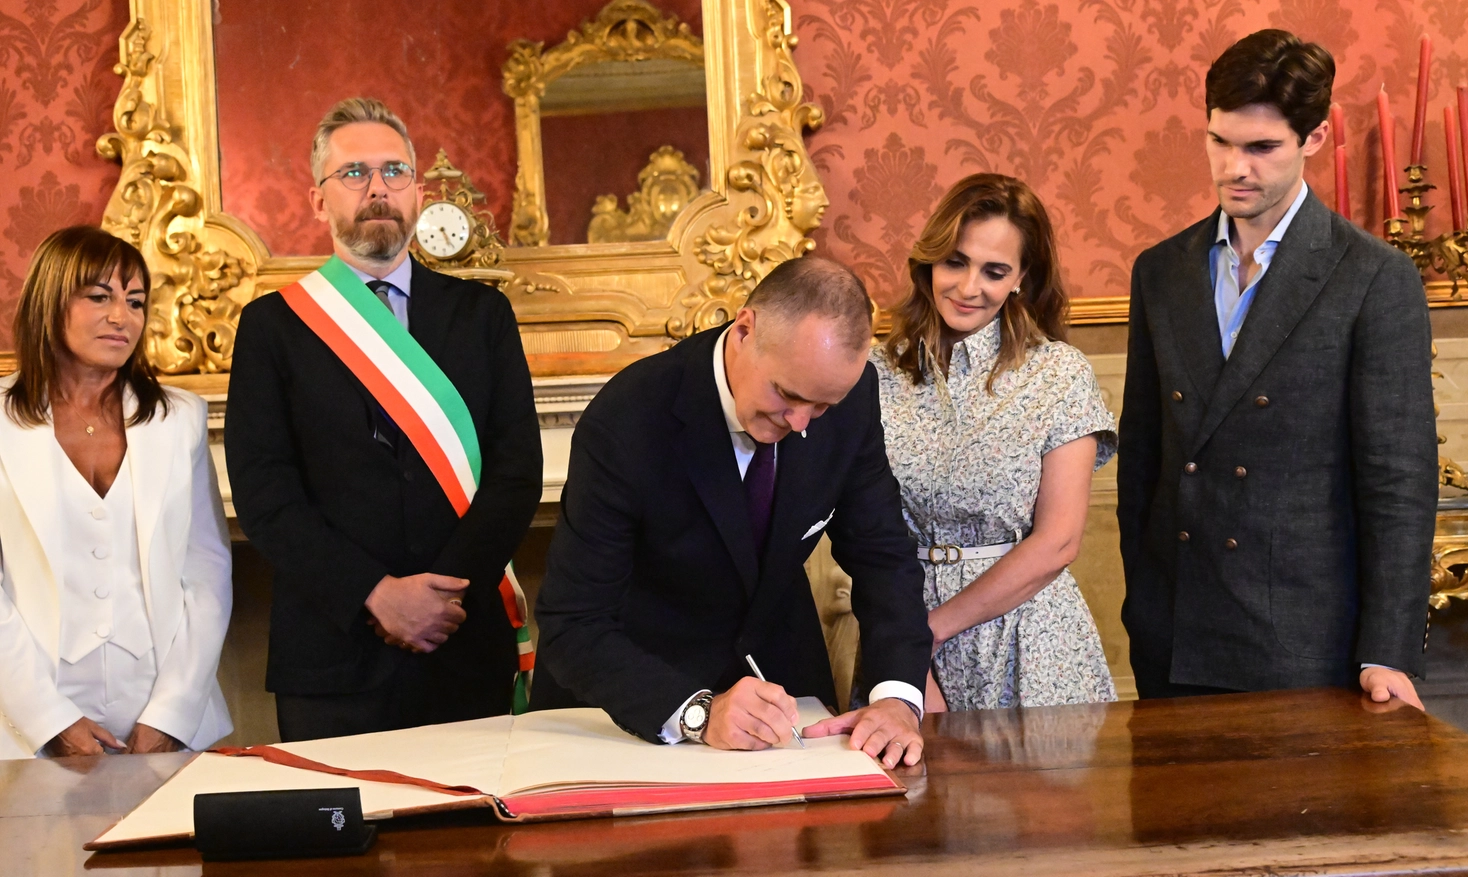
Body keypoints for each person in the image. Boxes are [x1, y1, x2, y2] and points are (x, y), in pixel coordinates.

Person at [1116, 30, 1438, 706]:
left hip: (1305, 640)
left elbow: (1398, 482)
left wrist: (1387, 650)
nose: (1236, 167)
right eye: (1220, 141)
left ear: (1314, 139)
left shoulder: (1375, 277)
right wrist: (1142, 601)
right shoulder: (1161, 271)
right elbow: (1142, 458)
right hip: (1174, 633)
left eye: (1261, 148)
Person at [532, 257, 932, 768]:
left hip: (783, 696)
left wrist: (897, 698)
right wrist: (696, 712)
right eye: (786, 394)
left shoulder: (850, 401)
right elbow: (573, 619)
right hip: (635, 701)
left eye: (821, 406)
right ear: (746, 330)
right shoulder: (629, 417)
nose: (801, 422)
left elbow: (883, 556)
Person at [226, 98, 543, 741]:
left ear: (418, 192)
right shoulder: (272, 328)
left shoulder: (483, 315)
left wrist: (442, 596)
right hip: (333, 654)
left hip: (463, 641)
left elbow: (517, 473)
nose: (377, 189)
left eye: (394, 172)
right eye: (354, 174)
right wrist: (375, 594)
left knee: (477, 841)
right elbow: (265, 494)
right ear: (319, 201)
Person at [874, 174, 1118, 712]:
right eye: (955, 262)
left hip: (1029, 642)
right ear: (929, 261)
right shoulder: (876, 373)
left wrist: (925, 634)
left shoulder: (1057, 374)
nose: (968, 287)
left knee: (1039, 796)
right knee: (915, 795)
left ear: (1021, 279)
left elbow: (1057, 542)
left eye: (995, 271)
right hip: (902, 630)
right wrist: (901, 650)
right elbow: (861, 533)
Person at [0, 226, 231, 759]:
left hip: (161, 708)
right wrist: (49, 721)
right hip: (30, 718)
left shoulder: (180, 418)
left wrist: (172, 714)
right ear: (49, 302)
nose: (121, 317)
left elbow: (208, 572)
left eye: (135, 302)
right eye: (99, 297)